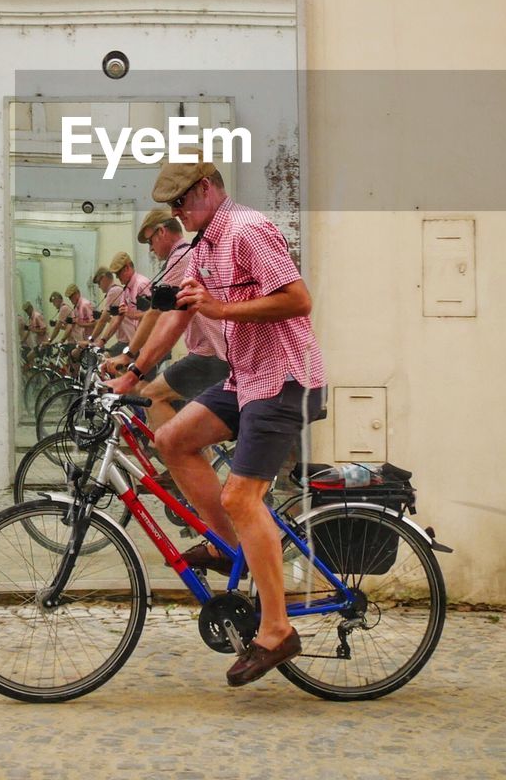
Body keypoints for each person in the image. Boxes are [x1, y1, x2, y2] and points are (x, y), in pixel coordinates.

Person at [109, 159, 326, 689]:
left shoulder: (247, 229)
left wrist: (224, 311)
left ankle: (277, 630)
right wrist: (133, 373)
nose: (178, 214)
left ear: (207, 188)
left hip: (285, 380)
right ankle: (239, 549)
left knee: (240, 496)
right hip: (244, 378)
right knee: (172, 440)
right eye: (174, 206)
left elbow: (299, 300)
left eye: (183, 202)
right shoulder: (205, 242)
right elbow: (180, 314)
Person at [106, 208, 227, 428]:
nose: (151, 249)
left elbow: (155, 313)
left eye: (150, 241)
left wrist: (128, 355)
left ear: (162, 232)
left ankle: (180, 457)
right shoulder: (185, 256)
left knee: (152, 395)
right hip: (206, 352)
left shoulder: (182, 258)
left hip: (210, 355)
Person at [95, 251, 149, 356]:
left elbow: (153, 315)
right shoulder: (126, 289)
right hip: (136, 344)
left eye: (118, 274)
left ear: (127, 268)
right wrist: (102, 341)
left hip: (148, 345)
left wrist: (130, 313)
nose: (118, 278)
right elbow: (118, 319)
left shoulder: (141, 284)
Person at [87, 267, 125, 350]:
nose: (99, 286)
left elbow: (102, 321)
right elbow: (116, 319)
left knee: (105, 361)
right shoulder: (118, 289)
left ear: (104, 278)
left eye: (98, 283)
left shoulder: (113, 291)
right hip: (124, 339)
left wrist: (91, 340)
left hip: (125, 341)